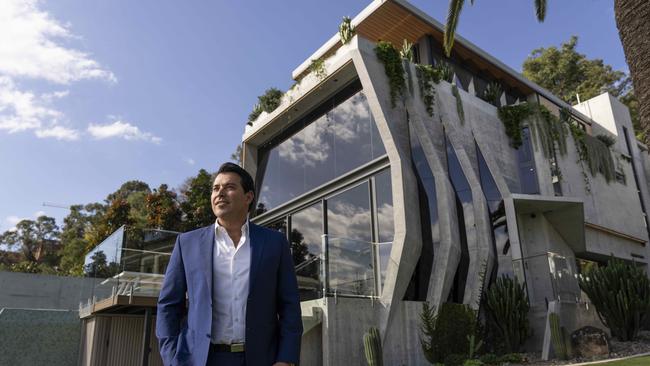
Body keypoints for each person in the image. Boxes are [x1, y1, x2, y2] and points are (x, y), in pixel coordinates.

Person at [156, 162, 302, 366]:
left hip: (261, 359)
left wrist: (286, 359)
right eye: (216, 188)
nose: (220, 193)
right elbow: (168, 305)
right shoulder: (187, 243)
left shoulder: (274, 243)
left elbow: (290, 306)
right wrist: (172, 358)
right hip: (201, 360)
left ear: (248, 197)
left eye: (229, 187)